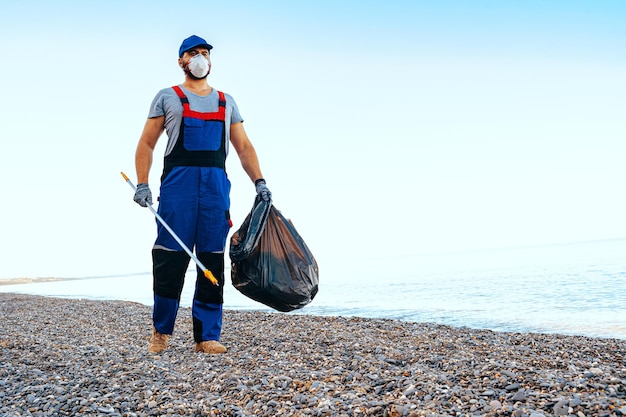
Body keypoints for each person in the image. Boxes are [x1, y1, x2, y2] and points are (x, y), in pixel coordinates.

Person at [133, 35, 272, 354]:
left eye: (205, 53)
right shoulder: (167, 97)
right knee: (169, 258)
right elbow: (146, 143)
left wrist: (259, 181)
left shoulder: (227, 102)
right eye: (193, 53)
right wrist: (143, 183)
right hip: (177, 188)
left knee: (211, 260)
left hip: (214, 191)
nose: (199, 58)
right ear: (181, 61)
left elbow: (244, 147)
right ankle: (161, 332)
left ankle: (207, 336)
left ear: (210, 61)